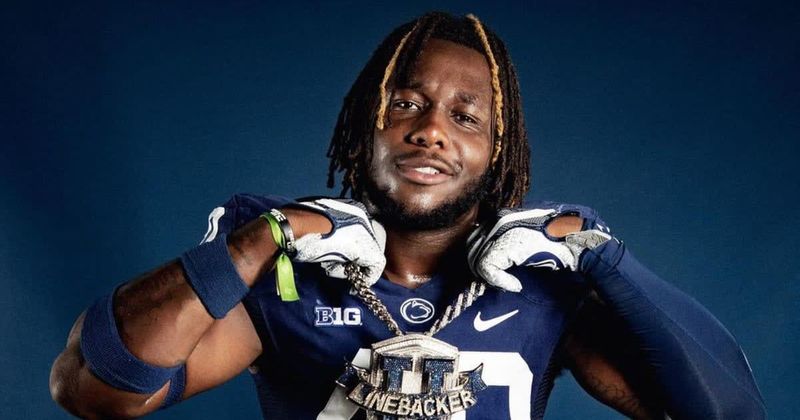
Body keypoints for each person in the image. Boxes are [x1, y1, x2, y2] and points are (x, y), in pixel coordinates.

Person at [49, 12, 766, 419]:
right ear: (366, 126)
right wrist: (263, 239)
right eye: (407, 104)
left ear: (498, 152)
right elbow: (96, 388)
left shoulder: (549, 293)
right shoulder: (289, 278)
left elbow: (729, 415)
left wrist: (605, 256)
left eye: (467, 116)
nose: (432, 130)